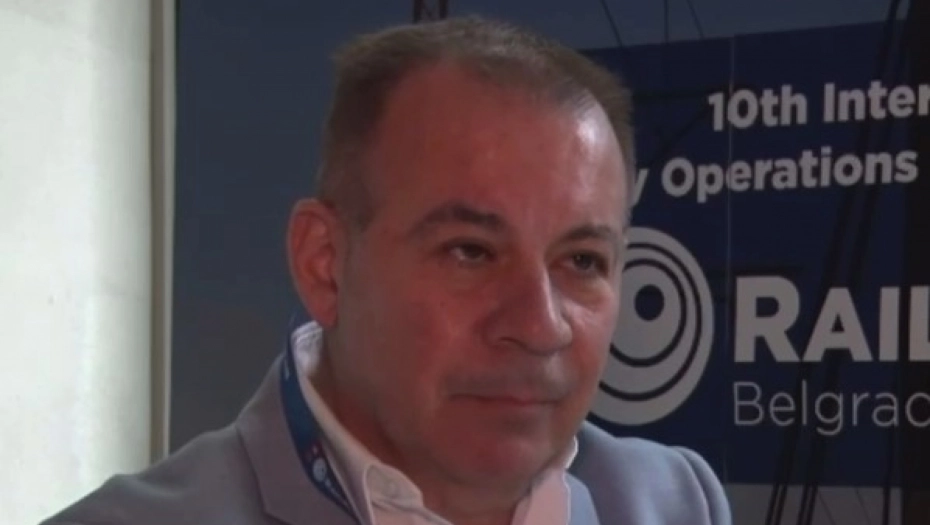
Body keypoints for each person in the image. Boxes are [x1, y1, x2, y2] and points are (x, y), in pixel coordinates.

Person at [42, 15, 730, 525]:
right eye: (470, 251)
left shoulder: (674, 502)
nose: (539, 324)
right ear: (324, 264)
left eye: (581, 260)